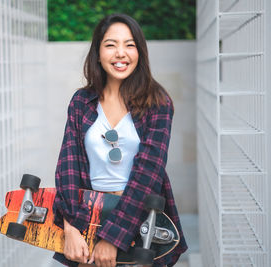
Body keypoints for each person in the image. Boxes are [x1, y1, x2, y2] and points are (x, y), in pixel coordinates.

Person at [52, 13, 188, 267]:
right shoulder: (81, 102)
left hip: (139, 221)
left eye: (129, 44)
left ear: (140, 52)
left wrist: (113, 238)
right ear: (98, 52)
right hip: (87, 219)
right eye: (111, 44)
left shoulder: (157, 103)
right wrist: (70, 227)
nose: (120, 53)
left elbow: (148, 176)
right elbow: (67, 167)